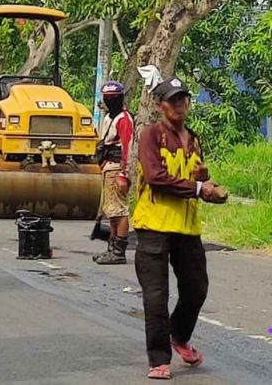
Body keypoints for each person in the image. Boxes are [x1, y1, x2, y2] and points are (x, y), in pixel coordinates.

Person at [132, 76, 228, 380]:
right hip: (153, 224)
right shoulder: (150, 136)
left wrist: (206, 179)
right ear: (161, 106)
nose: (180, 105)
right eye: (174, 100)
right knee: (156, 295)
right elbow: (157, 178)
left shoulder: (194, 138)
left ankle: (179, 336)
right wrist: (200, 188)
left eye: (183, 99)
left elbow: (196, 175)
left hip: (187, 227)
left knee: (196, 288)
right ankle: (158, 359)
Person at [92, 81, 134, 265]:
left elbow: (127, 148)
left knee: (119, 210)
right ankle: (111, 247)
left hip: (117, 169)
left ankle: (118, 251)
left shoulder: (123, 119)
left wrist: (123, 174)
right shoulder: (110, 117)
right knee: (111, 211)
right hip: (108, 167)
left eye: (109, 99)